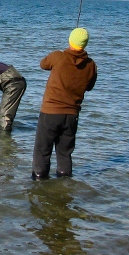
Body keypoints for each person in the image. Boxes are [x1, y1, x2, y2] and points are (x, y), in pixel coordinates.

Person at [32, 28, 97, 179]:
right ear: (85, 44)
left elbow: (43, 64)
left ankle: (39, 183)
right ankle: (65, 185)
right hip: (72, 115)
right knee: (65, 152)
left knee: (42, 150)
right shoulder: (91, 65)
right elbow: (90, 87)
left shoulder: (58, 57)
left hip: (50, 112)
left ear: (70, 41)